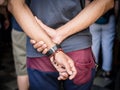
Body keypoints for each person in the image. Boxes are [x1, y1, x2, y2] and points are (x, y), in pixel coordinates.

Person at [8, 0, 114, 90]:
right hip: (78, 49)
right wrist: (59, 35)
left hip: (40, 49)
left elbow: (15, 4)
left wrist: (52, 47)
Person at [89, 2, 115, 80]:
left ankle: (94, 70)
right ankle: (107, 72)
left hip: (94, 18)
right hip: (109, 18)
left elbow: (87, 4)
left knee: (94, 45)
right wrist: (115, 19)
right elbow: (116, 5)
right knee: (108, 46)